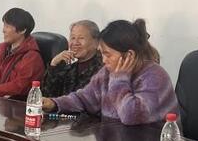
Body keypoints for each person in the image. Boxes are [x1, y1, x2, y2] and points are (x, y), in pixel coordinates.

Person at [42, 19, 178, 125]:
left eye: (107, 54)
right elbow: (84, 99)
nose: (103, 60)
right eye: (102, 54)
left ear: (129, 55)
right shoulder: (107, 72)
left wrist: (119, 79)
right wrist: (54, 103)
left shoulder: (154, 76)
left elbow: (131, 117)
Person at [41, 20, 103, 98]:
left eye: (81, 38)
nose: (75, 43)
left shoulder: (104, 70)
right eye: (73, 38)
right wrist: (54, 65)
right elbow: (46, 96)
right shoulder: (68, 67)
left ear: (96, 42)